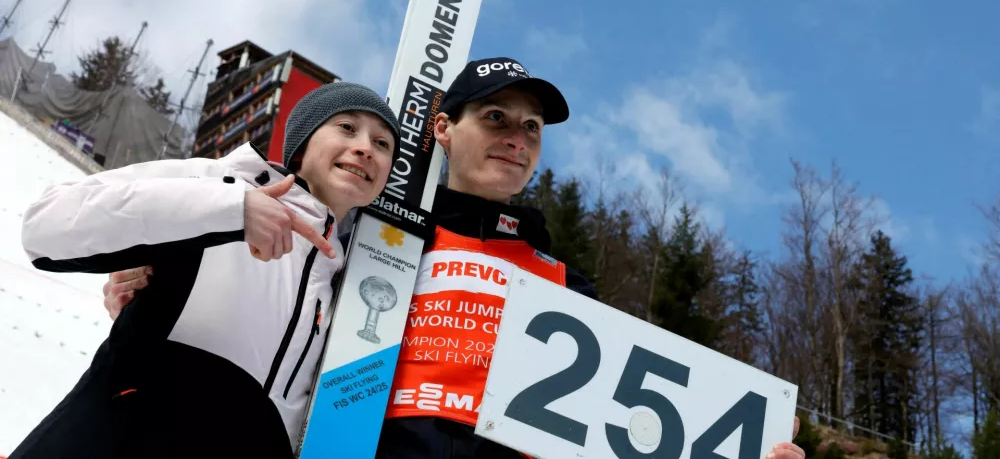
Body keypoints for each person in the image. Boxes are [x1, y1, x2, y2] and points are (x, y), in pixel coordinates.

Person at [102, 58, 806, 459]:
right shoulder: (373, 233)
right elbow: (280, 294)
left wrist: (745, 448)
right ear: (442, 128)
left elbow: (624, 432)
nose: (517, 138)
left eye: (531, 128)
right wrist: (165, 275)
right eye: (495, 118)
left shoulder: (568, 283)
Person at [11, 82, 401, 459]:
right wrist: (230, 209)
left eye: (382, 144)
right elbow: (46, 224)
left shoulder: (348, 291)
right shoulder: (220, 182)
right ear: (302, 144)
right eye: (347, 128)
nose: (365, 148)